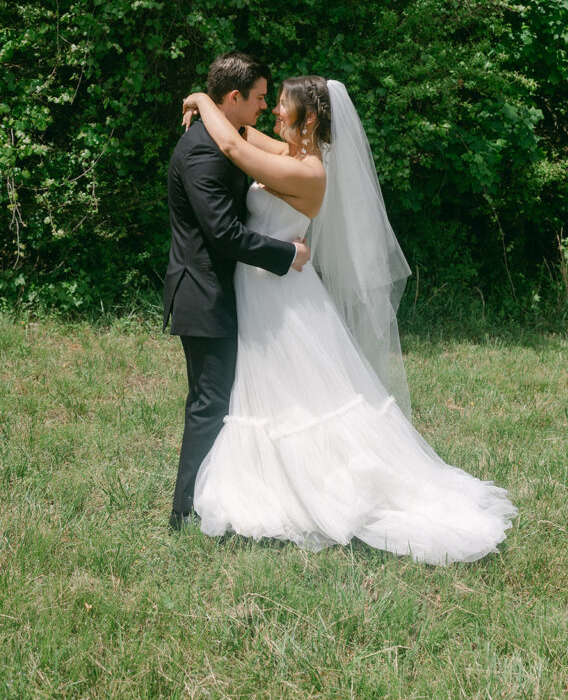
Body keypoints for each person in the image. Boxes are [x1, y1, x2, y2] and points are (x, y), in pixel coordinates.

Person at [181, 75, 517, 563]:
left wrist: (198, 99)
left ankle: (320, 487)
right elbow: (243, 134)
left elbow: (233, 145)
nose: (274, 112)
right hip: (261, 289)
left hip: (282, 297)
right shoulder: (290, 154)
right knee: (275, 393)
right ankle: (269, 481)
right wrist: (212, 107)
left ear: (310, 117)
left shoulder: (310, 171)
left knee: (301, 397)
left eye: (282, 106)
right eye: (270, 104)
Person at [163, 52, 310, 530]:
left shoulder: (225, 136)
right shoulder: (203, 151)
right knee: (209, 403)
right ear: (234, 98)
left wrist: (200, 99)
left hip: (222, 291)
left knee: (220, 401)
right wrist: (287, 254)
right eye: (260, 99)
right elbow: (224, 234)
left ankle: (217, 499)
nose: (264, 108)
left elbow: (246, 142)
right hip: (202, 293)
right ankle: (185, 513)